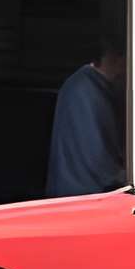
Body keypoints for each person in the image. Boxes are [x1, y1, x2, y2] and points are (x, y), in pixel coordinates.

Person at [45, 37, 126, 196]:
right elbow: (96, 149)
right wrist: (124, 176)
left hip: (72, 188)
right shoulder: (88, 90)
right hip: (83, 191)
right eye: (119, 57)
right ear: (109, 58)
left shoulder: (84, 84)